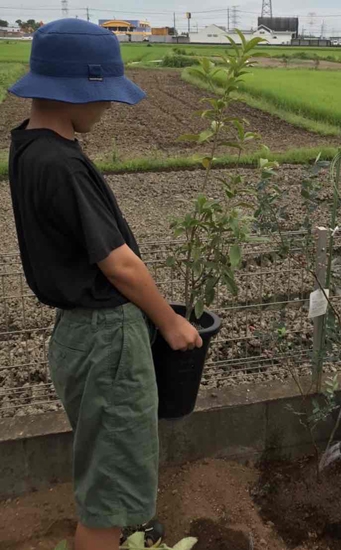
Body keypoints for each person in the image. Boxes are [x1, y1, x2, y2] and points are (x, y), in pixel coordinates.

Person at [8, 19, 202, 550]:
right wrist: (171, 323)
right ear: (76, 91)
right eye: (103, 97)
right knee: (109, 496)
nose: (108, 108)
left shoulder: (26, 147)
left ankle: (122, 535)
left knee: (103, 461)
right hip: (107, 338)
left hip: (75, 336)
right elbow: (120, 265)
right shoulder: (63, 164)